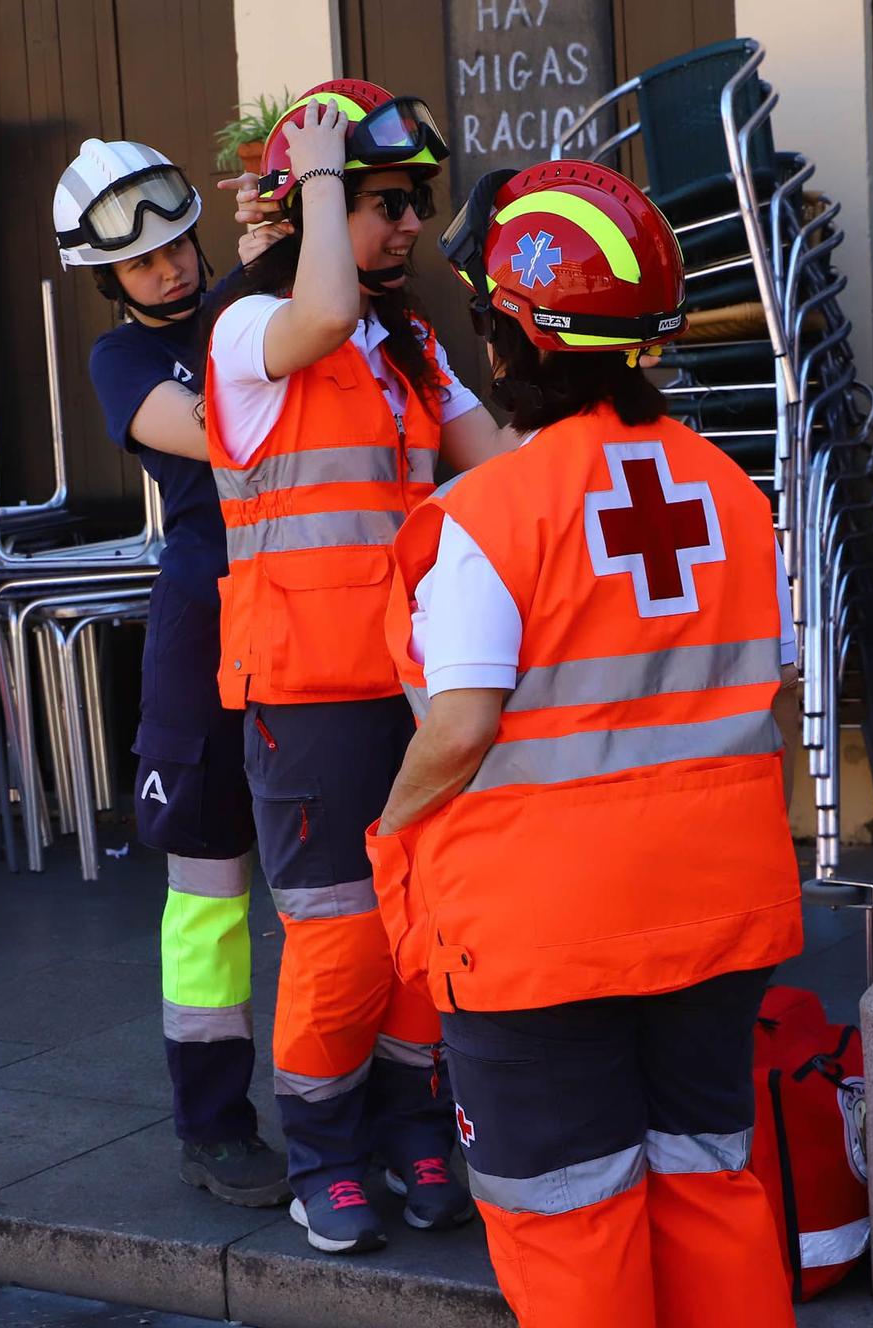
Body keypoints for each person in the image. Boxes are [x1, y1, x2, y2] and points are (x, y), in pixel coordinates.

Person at [365, 160, 805, 1328]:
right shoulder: (729, 495)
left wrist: (392, 824)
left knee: (568, 1216)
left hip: (539, 935)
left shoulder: (489, 519)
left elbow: (458, 727)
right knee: (707, 1181)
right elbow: (778, 687)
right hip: (717, 913)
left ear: (509, 339)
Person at [206, 80, 510, 1254]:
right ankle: (322, 1155)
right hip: (308, 697)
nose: (407, 227)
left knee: (421, 936)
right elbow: (318, 314)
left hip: (416, 696)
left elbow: (499, 466)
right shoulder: (248, 333)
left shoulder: (411, 350)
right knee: (337, 944)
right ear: (307, 206)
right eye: (385, 202)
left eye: (415, 205)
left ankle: (407, 1132)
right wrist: (317, 181)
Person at [53, 138, 291, 1208]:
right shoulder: (120, 361)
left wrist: (287, 257)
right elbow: (222, 431)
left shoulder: (251, 294)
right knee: (206, 890)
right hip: (204, 622)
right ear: (107, 279)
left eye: (175, 249)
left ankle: (383, 1116)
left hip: (315, 606)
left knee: (348, 886)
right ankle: (214, 1126)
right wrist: (266, 283)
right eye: (140, 265)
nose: (169, 270)